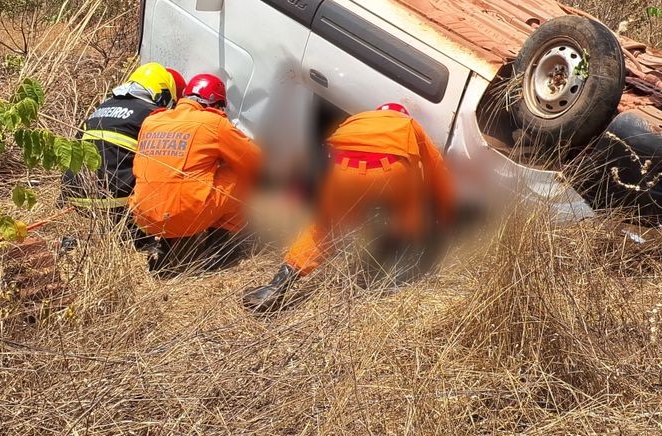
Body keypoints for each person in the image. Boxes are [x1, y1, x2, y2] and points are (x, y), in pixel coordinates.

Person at [244, 102, 454, 313]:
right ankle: (395, 283)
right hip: (389, 170)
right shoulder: (409, 124)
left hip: (341, 169)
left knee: (324, 229)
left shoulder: (357, 119)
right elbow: (437, 169)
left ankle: (275, 285)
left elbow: (325, 152)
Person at [129, 73, 261, 267]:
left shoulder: (152, 121)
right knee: (240, 174)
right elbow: (254, 161)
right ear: (216, 104)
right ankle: (220, 249)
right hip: (184, 216)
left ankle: (167, 243)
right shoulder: (213, 123)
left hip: (144, 216)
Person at [61, 63, 181, 216]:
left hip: (73, 195)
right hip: (114, 200)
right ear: (162, 95)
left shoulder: (102, 107)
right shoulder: (153, 115)